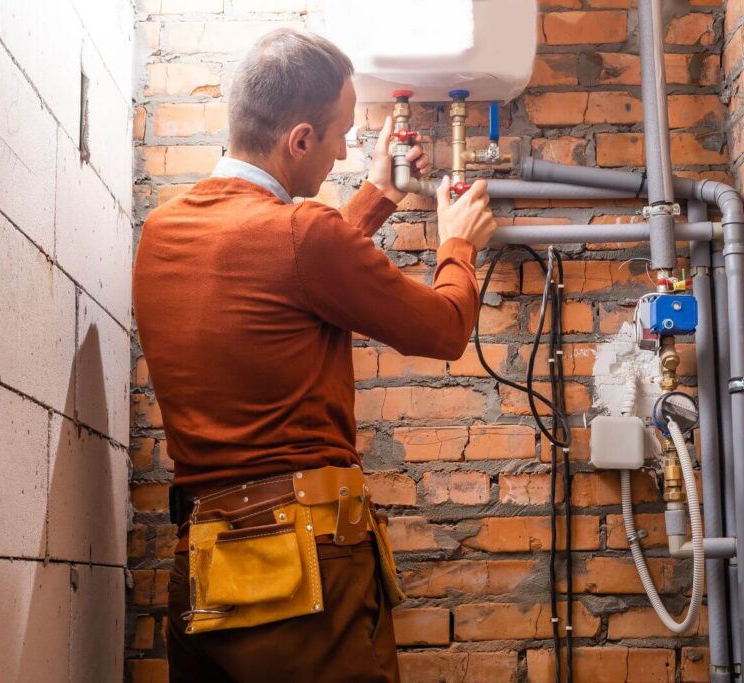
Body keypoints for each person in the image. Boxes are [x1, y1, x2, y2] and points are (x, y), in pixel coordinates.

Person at [133, 27, 496, 683]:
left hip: (205, 568)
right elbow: (444, 328)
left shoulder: (164, 231)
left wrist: (378, 194)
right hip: (304, 573)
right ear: (299, 139)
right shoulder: (303, 234)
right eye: (340, 135)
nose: (343, 151)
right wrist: (458, 244)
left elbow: (279, 275)